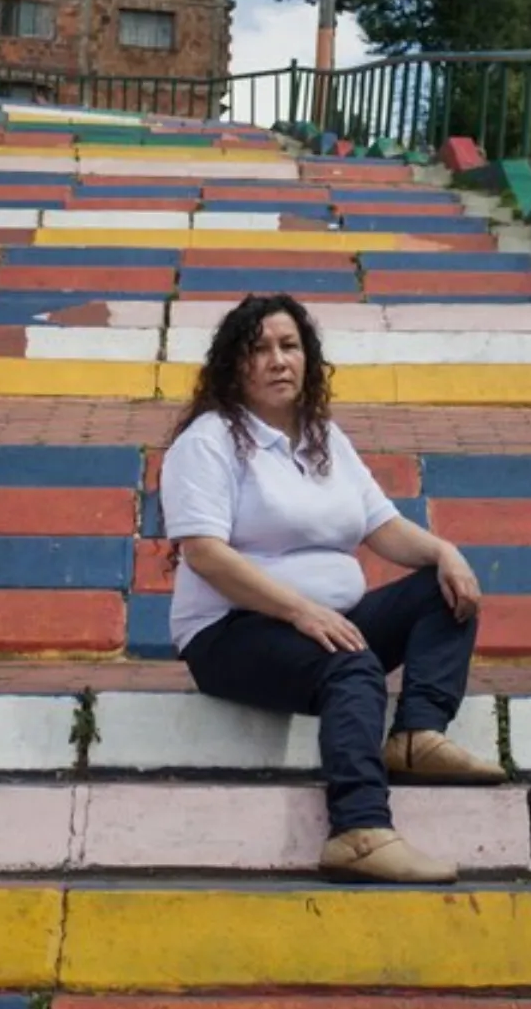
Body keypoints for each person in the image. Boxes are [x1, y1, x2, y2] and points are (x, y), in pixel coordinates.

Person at [159, 293, 504, 884]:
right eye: (259, 349)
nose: (277, 360)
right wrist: (299, 612)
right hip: (229, 634)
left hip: (322, 622)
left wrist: (445, 553)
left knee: (440, 592)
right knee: (352, 667)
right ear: (233, 365)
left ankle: (417, 735)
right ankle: (358, 830)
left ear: (308, 358)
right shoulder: (209, 440)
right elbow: (205, 555)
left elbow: (382, 527)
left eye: (289, 346)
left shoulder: (324, 439)